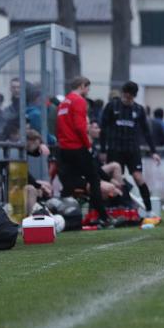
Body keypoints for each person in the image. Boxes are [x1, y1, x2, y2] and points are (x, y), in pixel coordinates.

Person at [56, 76, 115, 228]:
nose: (88, 91)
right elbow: (79, 126)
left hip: (64, 148)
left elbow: (60, 127)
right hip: (77, 147)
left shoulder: (64, 102)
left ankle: (66, 216)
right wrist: (87, 144)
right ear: (82, 86)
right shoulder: (79, 101)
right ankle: (103, 217)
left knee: (69, 184)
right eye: (87, 88)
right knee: (94, 180)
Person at [99, 81, 161, 213]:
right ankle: (119, 208)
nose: (128, 100)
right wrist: (103, 150)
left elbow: (146, 132)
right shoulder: (112, 106)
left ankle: (149, 210)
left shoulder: (138, 109)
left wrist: (153, 151)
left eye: (131, 97)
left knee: (138, 177)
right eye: (126, 97)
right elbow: (103, 129)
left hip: (132, 149)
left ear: (134, 96)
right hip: (115, 149)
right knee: (116, 179)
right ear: (123, 94)